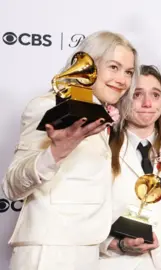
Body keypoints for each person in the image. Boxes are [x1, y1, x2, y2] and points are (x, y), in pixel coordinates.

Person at [2, 31, 138, 270]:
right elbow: (11, 186)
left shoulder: (102, 122)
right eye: (113, 67)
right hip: (48, 254)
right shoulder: (47, 106)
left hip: (87, 254)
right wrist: (56, 153)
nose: (122, 80)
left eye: (128, 72)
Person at [98, 65, 161, 269]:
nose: (147, 103)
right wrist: (115, 244)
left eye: (155, 95)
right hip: (114, 263)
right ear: (121, 98)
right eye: (137, 94)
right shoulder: (100, 148)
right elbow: (83, 213)